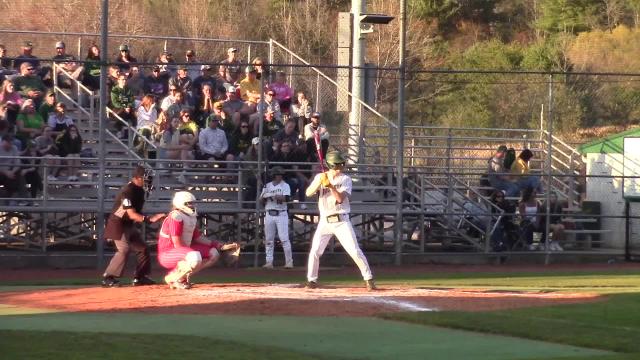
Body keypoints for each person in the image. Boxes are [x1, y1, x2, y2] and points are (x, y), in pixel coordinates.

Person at [304, 150, 376, 291]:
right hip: (325, 221)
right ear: (331, 165)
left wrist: (330, 186)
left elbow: (340, 199)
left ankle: (368, 278)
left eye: (341, 165)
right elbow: (308, 193)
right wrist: (319, 182)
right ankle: (311, 280)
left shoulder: (345, 179)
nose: (340, 168)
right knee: (315, 251)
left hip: (341, 220)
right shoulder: (321, 176)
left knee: (354, 251)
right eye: (337, 165)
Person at [157, 191, 240, 289]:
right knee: (194, 257)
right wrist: (187, 256)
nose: (192, 205)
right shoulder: (176, 216)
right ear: (181, 204)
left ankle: (181, 277)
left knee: (214, 253)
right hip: (168, 253)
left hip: (181, 249)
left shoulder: (190, 217)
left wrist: (218, 245)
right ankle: (174, 278)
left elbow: (197, 237)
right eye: (189, 203)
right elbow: (176, 242)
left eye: (192, 203)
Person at [101, 166, 166, 287]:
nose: (148, 181)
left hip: (127, 224)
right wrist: (149, 219)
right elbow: (131, 214)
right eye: (146, 179)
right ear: (136, 178)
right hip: (118, 224)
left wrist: (150, 218)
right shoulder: (128, 191)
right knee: (124, 249)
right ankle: (108, 277)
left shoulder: (139, 190)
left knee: (142, 248)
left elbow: (134, 214)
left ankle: (140, 277)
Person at [260, 167, 293, 269]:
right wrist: (264, 195)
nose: (280, 176)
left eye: (280, 175)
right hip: (269, 214)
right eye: (278, 175)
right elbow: (261, 201)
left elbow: (287, 198)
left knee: (284, 239)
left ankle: (289, 262)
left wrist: (274, 195)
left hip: (281, 214)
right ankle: (269, 262)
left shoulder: (285, 185)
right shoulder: (267, 186)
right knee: (269, 239)